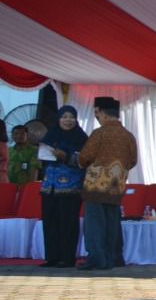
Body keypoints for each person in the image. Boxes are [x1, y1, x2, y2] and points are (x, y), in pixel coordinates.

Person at [77, 96, 137, 272]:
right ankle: (112, 258)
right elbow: (132, 161)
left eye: (97, 113)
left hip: (96, 185)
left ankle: (96, 259)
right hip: (116, 186)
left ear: (102, 113)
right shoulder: (128, 136)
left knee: (95, 224)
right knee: (112, 223)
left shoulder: (99, 133)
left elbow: (84, 157)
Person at [38, 106, 88, 269]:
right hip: (49, 187)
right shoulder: (50, 135)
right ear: (58, 119)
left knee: (68, 223)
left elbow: (83, 162)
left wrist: (65, 156)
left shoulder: (81, 138)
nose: (68, 120)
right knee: (50, 222)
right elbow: (43, 159)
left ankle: (67, 258)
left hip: (70, 188)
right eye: (64, 117)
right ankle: (52, 257)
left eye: (71, 117)